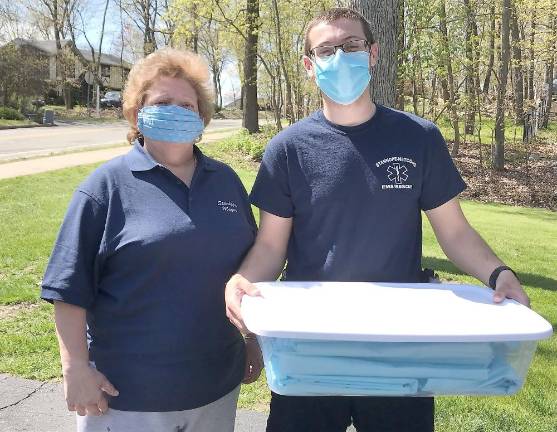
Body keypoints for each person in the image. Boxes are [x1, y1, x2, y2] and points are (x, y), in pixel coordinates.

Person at [225, 7, 530, 432]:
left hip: (399, 346)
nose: (341, 57)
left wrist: (499, 273)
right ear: (309, 67)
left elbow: (455, 233)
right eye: (327, 50)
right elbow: (271, 247)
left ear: (373, 54)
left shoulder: (418, 137)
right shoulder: (287, 149)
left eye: (351, 46)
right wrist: (243, 280)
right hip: (310, 343)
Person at [41, 48, 263, 432]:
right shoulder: (105, 188)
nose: (176, 110)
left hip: (216, 389)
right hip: (127, 398)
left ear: (201, 116)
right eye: (162, 102)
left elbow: (249, 271)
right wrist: (75, 367)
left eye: (186, 104)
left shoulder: (226, 181)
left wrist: (255, 340)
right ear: (137, 112)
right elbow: (68, 288)